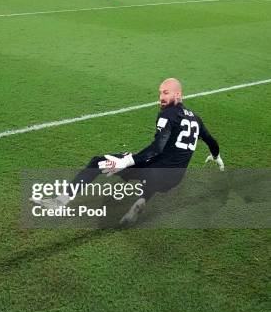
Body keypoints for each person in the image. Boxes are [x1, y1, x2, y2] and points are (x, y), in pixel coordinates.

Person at [39, 78, 224, 225]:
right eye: (160, 93)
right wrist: (216, 156)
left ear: (179, 94)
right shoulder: (196, 120)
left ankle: (59, 202)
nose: (161, 97)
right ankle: (141, 200)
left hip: (156, 172)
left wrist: (125, 161)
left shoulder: (167, 114)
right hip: (175, 178)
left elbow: (156, 148)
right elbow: (212, 141)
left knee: (97, 162)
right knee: (158, 167)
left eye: (166, 93)